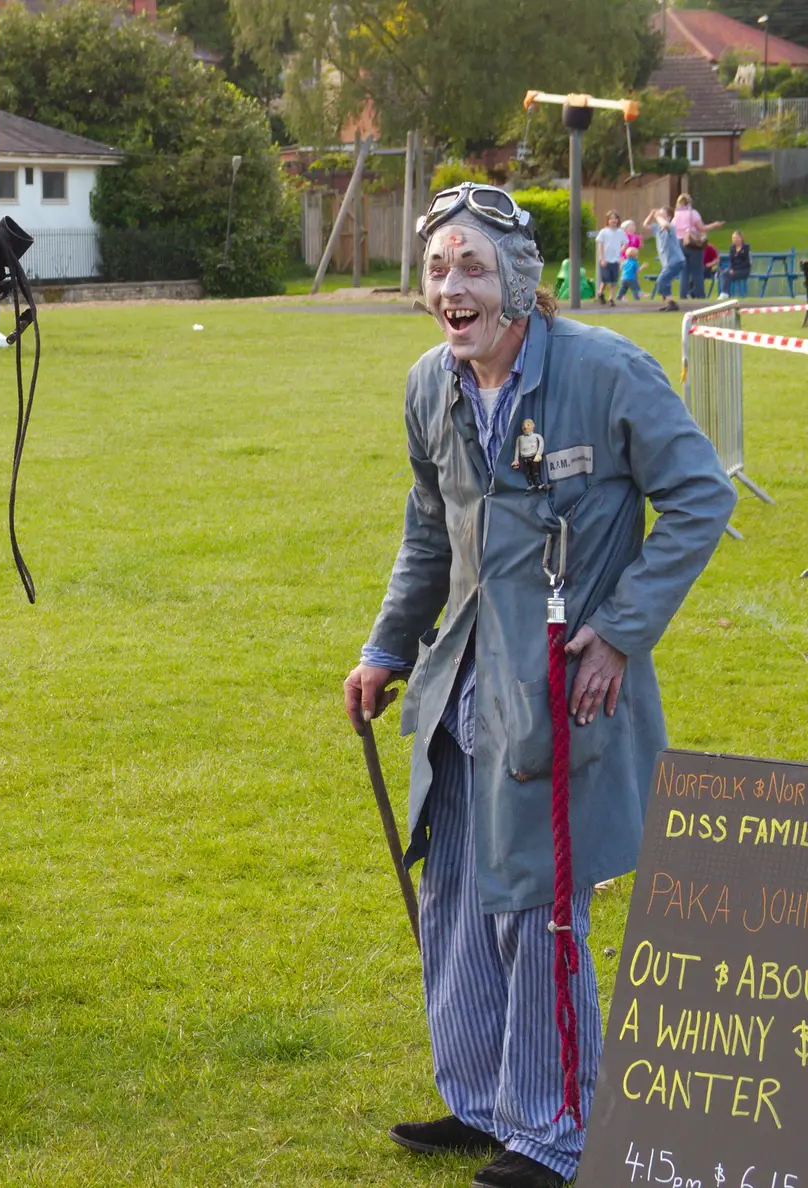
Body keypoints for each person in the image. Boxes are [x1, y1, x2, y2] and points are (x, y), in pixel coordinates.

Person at [344, 182, 735, 1188]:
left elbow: (699, 495)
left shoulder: (607, 374)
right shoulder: (431, 382)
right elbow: (427, 529)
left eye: (470, 268)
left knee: (538, 906)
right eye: (436, 270)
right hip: (459, 687)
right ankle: (483, 1104)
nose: (450, 289)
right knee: (460, 898)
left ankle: (557, 1132)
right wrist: (387, 651)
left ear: (518, 283)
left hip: (561, 688)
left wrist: (616, 632)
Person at [671, 193, 723, 301]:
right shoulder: (692, 213)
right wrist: (714, 225)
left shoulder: (676, 215)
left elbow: (673, 229)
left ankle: (683, 294)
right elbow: (702, 228)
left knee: (684, 271)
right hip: (693, 243)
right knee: (697, 271)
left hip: (680, 243)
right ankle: (700, 295)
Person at [645, 206, 684, 311]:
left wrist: (657, 217)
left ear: (669, 217)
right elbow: (645, 225)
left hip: (676, 260)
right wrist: (651, 214)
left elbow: (665, 225)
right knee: (665, 282)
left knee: (661, 281)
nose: (659, 216)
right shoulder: (658, 227)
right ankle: (669, 303)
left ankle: (672, 303)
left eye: (663, 214)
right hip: (668, 262)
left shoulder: (670, 226)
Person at [594, 211, 626, 306]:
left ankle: (611, 298)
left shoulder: (620, 232)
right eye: (611, 218)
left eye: (615, 218)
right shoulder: (604, 232)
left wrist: (620, 251)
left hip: (615, 260)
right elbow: (600, 245)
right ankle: (600, 293)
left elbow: (625, 242)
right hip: (606, 259)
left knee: (614, 281)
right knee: (605, 280)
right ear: (607, 220)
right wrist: (602, 258)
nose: (613, 220)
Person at [721, 230, 752, 297]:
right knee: (724, 273)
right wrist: (731, 268)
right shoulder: (732, 247)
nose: (735, 240)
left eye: (736, 238)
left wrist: (735, 269)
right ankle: (726, 293)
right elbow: (730, 260)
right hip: (734, 269)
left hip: (744, 270)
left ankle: (724, 294)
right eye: (733, 238)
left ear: (741, 238)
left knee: (729, 276)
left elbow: (748, 262)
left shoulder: (747, 248)